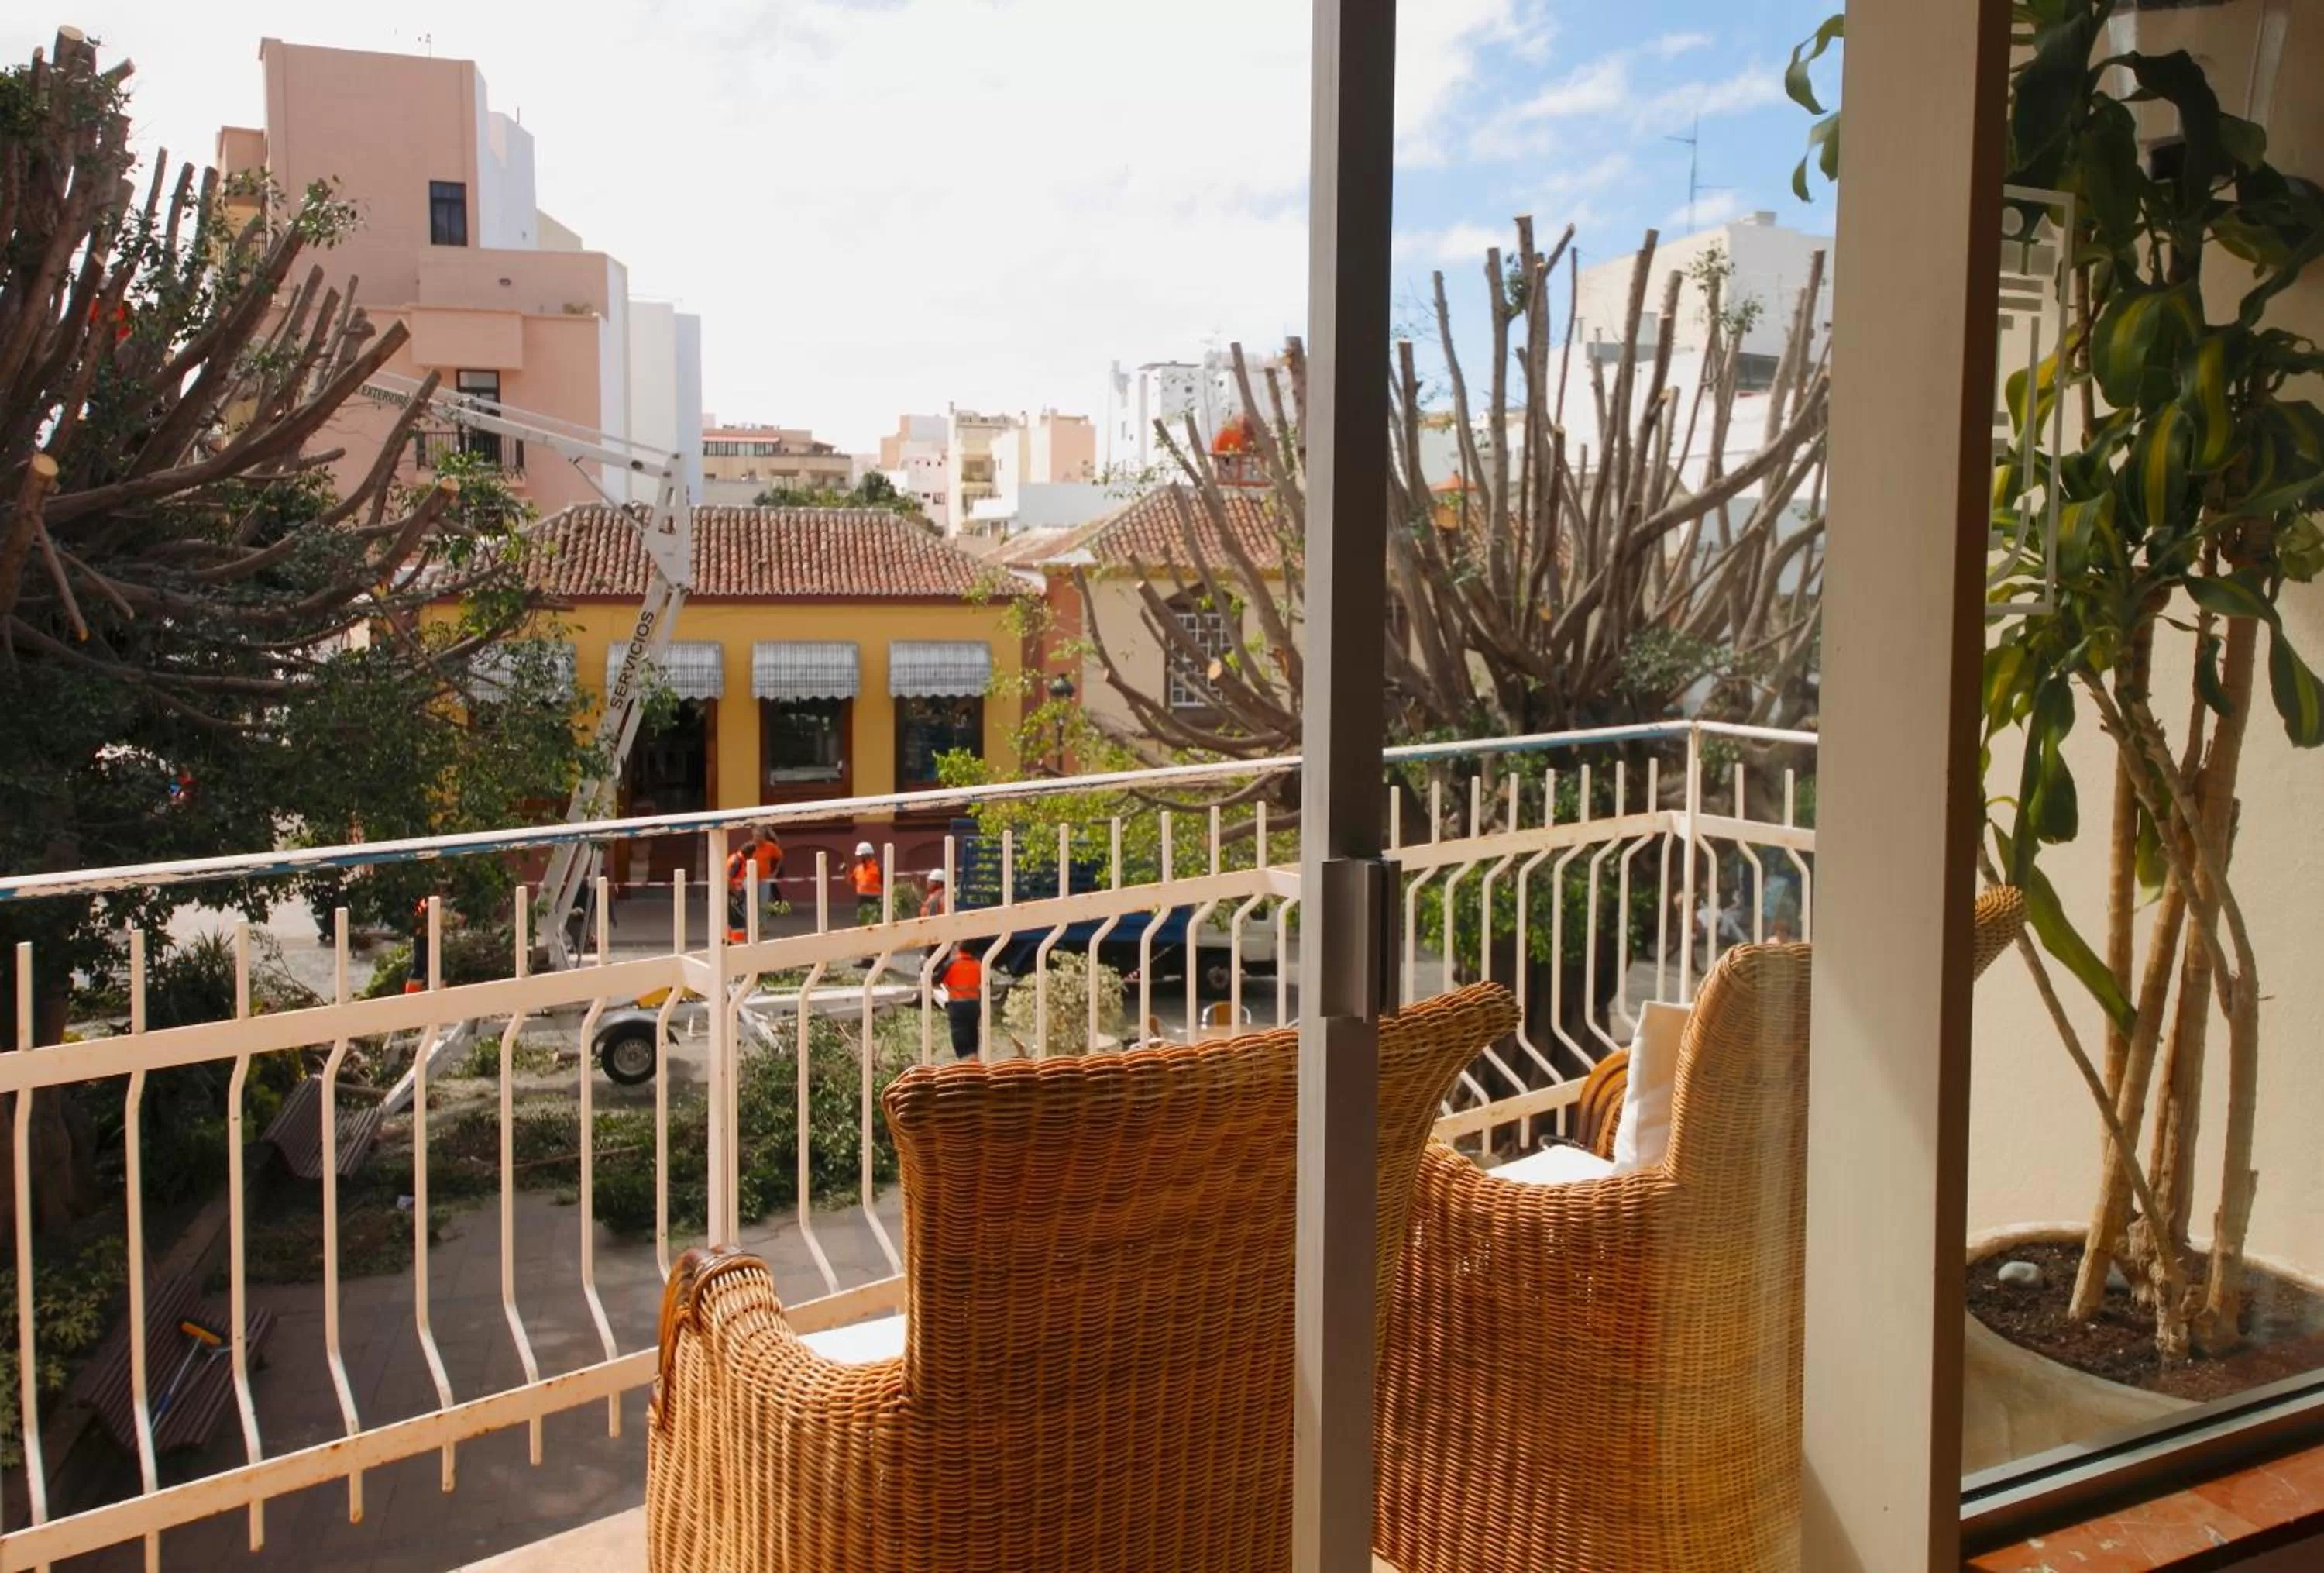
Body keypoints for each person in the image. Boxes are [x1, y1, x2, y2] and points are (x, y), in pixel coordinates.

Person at [921, 869, 980, 1058]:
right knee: (972, 1038)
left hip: (936, 943)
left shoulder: (938, 899)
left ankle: (967, 1064)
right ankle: (973, 1060)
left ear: (937, 883)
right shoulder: (978, 964)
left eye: (929, 881)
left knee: (961, 1038)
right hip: (974, 1005)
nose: (927, 884)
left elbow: (933, 924)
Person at [724, 828, 783, 941]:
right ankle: (744, 930)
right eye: (756, 836)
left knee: (763, 903)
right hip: (740, 885)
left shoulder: (768, 847)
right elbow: (729, 877)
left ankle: (758, 927)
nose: (758, 839)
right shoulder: (740, 859)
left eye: (760, 836)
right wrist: (735, 891)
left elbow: (780, 857)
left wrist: (774, 873)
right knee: (743, 906)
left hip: (762, 880)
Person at [849, 841, 884, 928]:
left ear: (866, 856)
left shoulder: (878, 869)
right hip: (862, 901)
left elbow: (886, 885)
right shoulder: (858, 868)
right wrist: (845, 872)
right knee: (862, 924)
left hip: (876, 901)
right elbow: (851, 881)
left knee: (876, 925)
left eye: (859, 856)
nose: (857, 858)